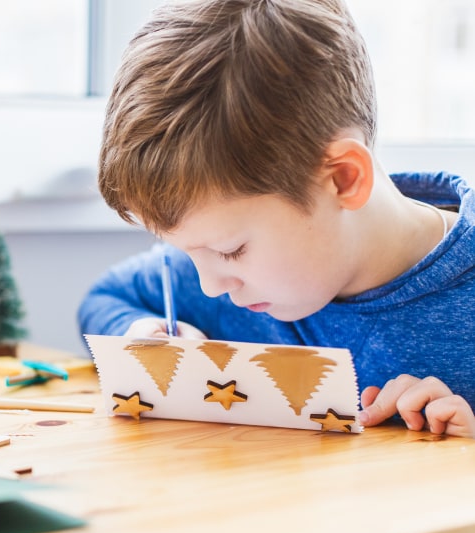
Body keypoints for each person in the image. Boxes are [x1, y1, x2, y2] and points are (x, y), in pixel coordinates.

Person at [78, 0, 475, 438]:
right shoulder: (223, 275)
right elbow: (103, 299)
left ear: (344, 179)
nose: (210, 287)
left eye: (231, 251)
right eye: (187, 253)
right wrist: (142, 335)